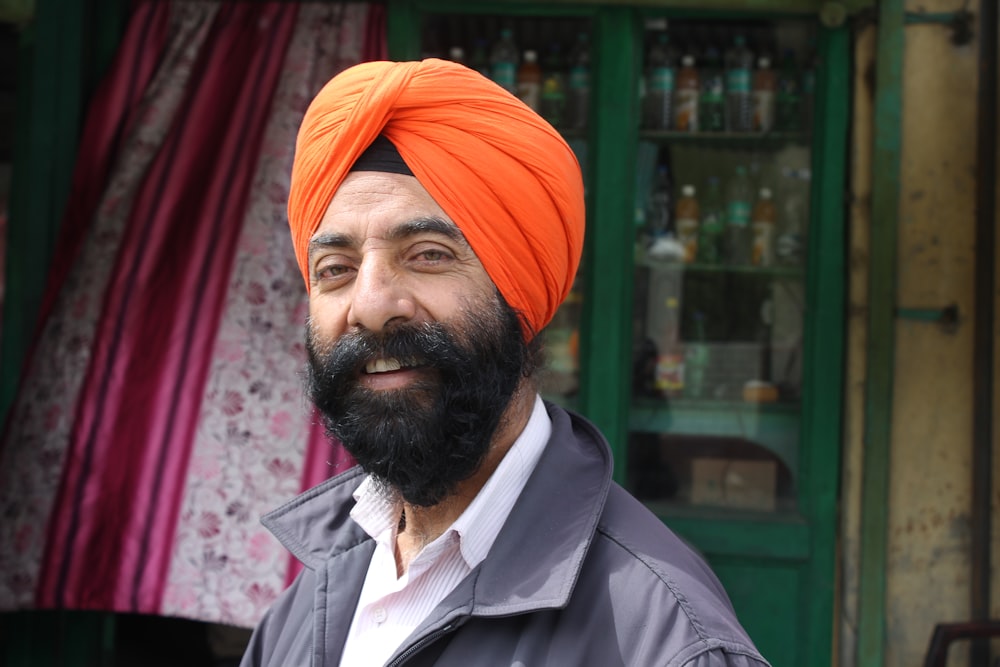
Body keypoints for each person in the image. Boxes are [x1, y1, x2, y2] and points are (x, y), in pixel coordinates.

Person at [240, 58, 769, 667]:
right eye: (335, 269)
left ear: (520, 291)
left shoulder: (668, 643)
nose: (371, 305)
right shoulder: (307, 609)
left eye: (428, 255)